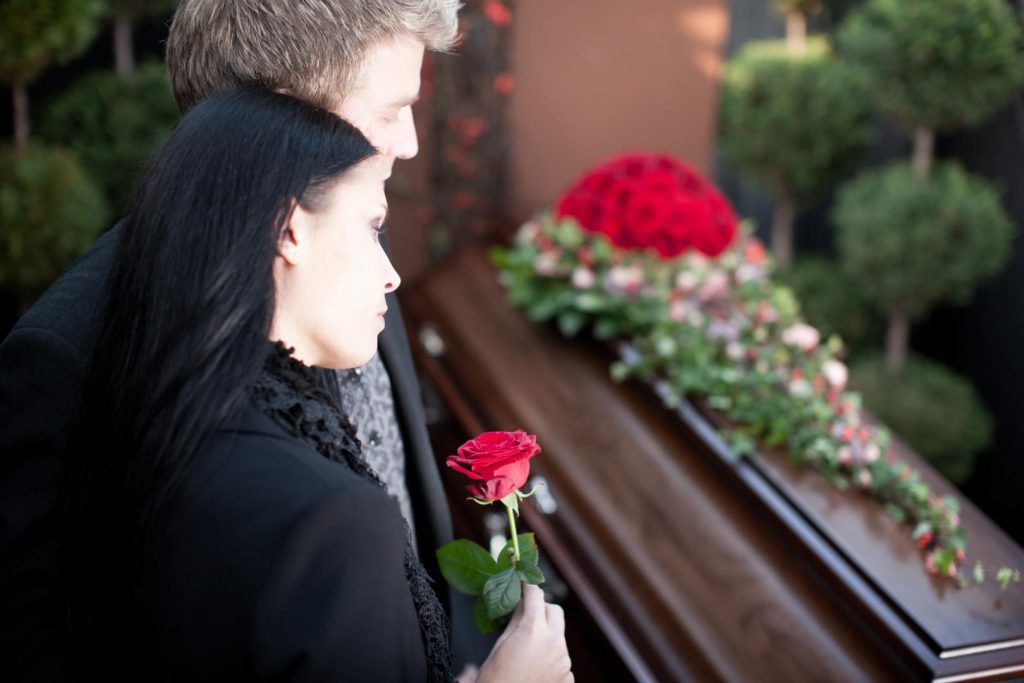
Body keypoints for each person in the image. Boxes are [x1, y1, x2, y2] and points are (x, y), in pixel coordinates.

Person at [0, 0, 567, 680]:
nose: (411, 141)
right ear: (285, 115)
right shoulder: (64, 350)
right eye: (390, 109)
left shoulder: (348, 241)